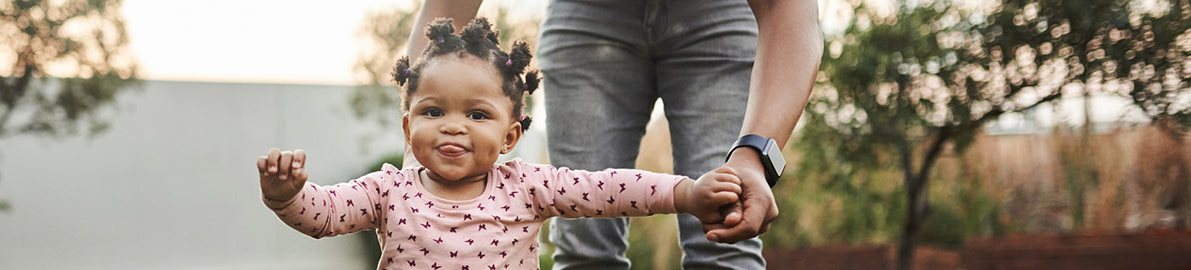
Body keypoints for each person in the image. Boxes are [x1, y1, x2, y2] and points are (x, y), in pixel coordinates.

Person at [256, 18, 748, 269]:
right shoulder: (387, 191)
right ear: (408, 129)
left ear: (510, 135)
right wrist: (288, 195)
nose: (453, 126)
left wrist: (686, 193)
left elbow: (610, 190)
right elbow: (325, 214)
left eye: (477, 114)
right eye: (433, 111)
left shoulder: (530, 186)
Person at [401, 0, 820, 269]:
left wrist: (754, 157)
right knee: (585, 246)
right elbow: (446, 7)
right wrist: (414, 162)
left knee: (726, 231)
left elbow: (789, 10)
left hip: (725, 13)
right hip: (587, 17)